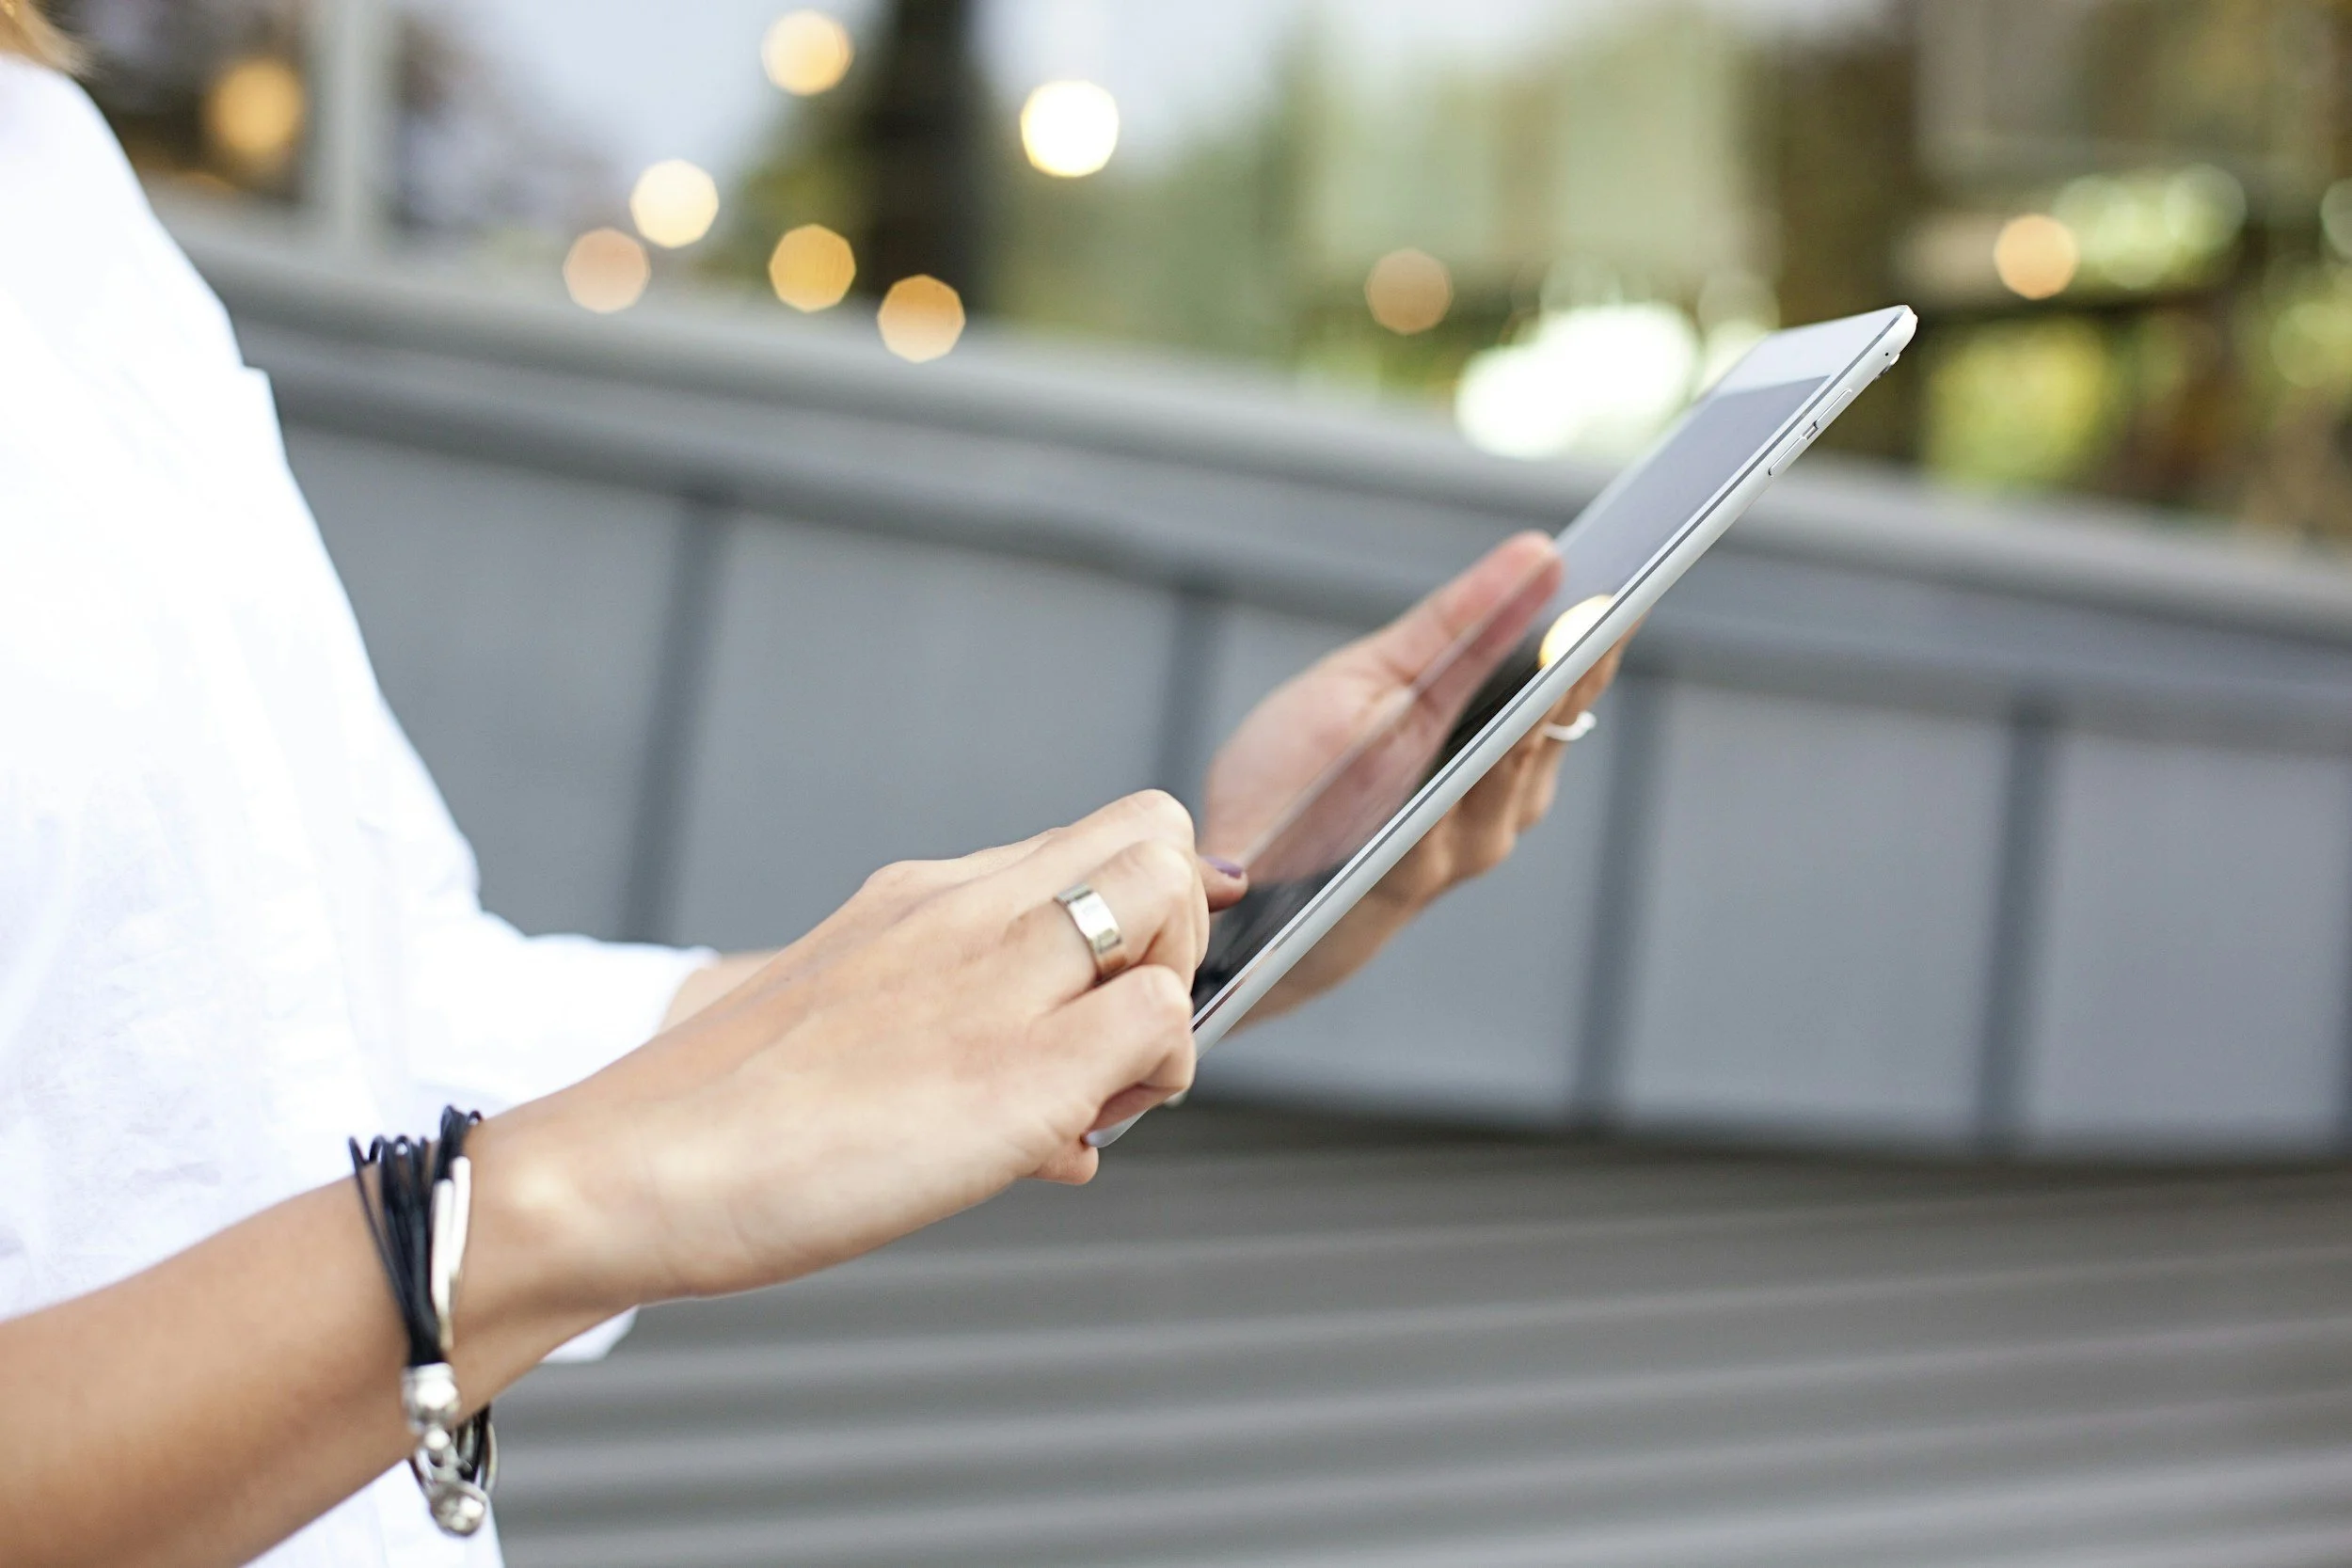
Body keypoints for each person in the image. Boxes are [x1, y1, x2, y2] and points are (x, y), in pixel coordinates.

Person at [0, 9, 1626, 1567]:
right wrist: (564, 1206)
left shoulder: (56, 169)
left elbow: (367, 1022)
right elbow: (504, 1177)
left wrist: (1222, 913)